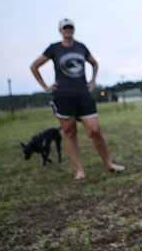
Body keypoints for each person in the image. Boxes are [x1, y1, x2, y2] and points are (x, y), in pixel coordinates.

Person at [30, 18, 125, 180]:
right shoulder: (54, 48)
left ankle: (108, 163)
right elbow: (34, 66)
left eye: (70, 27)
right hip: (63, 96)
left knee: (95, 130)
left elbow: (94, 63)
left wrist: (93, 81)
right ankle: (79, 170)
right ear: (60, 30)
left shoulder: (81, 47)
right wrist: (45, 86)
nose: (68, 30)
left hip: (83, 94)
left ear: (74, 29)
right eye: (65, 28)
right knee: (69, 132)